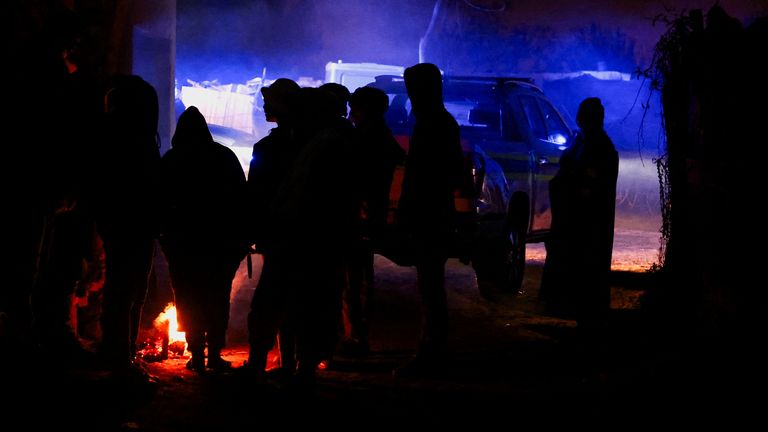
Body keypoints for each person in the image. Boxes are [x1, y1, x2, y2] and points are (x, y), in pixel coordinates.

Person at [159, 106, 248, 372]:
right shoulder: (224, 157)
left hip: (183, 245)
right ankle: (213, 354)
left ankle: (196, 354)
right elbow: (241, 200)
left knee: (188, 297)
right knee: (217, 296)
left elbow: (160, 201)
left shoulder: (172, 160)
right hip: (220, 244)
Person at [394, 63, 464, 377]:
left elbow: (430, 174)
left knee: (430, 285)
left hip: (430, 215)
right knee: (430, 284)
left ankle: (431, 351)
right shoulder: (437, 121)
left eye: (413, 87)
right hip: (433, 213)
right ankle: (433, 348)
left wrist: (411, 209)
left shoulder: (434, 123)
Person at [92, 74, 161, 381]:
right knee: (127, 291)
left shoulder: (118, 137)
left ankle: (122, 352)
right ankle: (120, 358)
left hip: (127, 223)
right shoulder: (129, 140)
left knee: (128, 290)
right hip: (131, 224)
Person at [539, 97, 618, 332]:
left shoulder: (599, 146)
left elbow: (593, 181)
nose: (582, 121)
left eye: (586, 116)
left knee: (585, 269)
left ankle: (586, 320)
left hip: (586, 222)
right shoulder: (583, 141)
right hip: (572, 218)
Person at [339, 86, 405, 357]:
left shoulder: (366, 139)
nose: (350, 113)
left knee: (354, 281)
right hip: (367, 217)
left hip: (359, 218)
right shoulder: (381, 137)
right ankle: (356, 335)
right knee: (358, 279)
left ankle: (356, 338)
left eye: (354, 108)